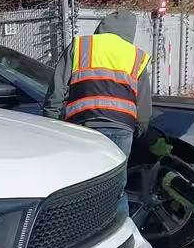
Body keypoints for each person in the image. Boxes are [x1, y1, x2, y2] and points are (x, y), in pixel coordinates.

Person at [42, 11, 152, 156]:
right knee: (116, 170)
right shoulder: (136, 56)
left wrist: (50, 118)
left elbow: (58, 86)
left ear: (102, 26)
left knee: (86, 169)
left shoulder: (80, 45)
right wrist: (141, 127)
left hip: (84, 123)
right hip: (122, 127)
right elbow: (143, 99)